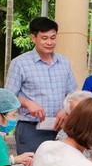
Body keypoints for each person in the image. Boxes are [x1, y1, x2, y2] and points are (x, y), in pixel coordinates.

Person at [5, 17, 78, 154]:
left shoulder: (64, 62)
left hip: (61, 129)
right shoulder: (20, 63)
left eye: (53, 38)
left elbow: (72, 94)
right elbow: (7, 97)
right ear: (33, 38)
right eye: (44, 38)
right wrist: (27, 103)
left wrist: (65, 109)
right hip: (31, 130)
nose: (49, 42)